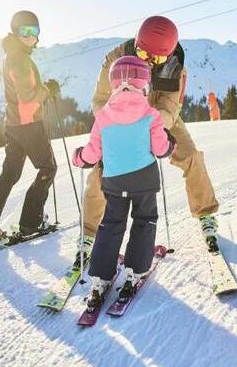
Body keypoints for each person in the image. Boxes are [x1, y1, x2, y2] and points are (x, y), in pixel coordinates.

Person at [80, 15, 220, 260]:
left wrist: (148, 128)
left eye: (158, 59)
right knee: (103, 168)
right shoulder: (115, 59)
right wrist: (125, 125)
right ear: (137, 43)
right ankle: (88, 233)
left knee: (190, 156)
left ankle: (206, 214)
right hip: (119, 115)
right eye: (144, 56)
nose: (151, 63)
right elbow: (100, 100)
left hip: (158, 116)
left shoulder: (176, 66)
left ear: (169, 53)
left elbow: (170, 107)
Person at [72, 56, 175, 308]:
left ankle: (100, 278)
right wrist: (171, 142)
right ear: (144, 83)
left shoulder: (104, 116)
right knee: (144, 219)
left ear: (113, 82)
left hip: (115, 182)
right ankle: (134, 271)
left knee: (111, 223)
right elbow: (161, 149)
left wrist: (79, 158)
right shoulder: (151, 114)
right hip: (144, 179)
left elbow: (92, 154)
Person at [0, 10, 61, 247]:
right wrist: (48, 90)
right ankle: (31, 223)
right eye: (26, 31)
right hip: (28, 125)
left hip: (13, 125)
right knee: (48, 168)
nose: (32, 37)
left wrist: (42, 88)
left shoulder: (12, 55)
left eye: (35, 31)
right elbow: (29, 98)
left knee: (10, 173)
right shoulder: (20, 59)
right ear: (16, 32)